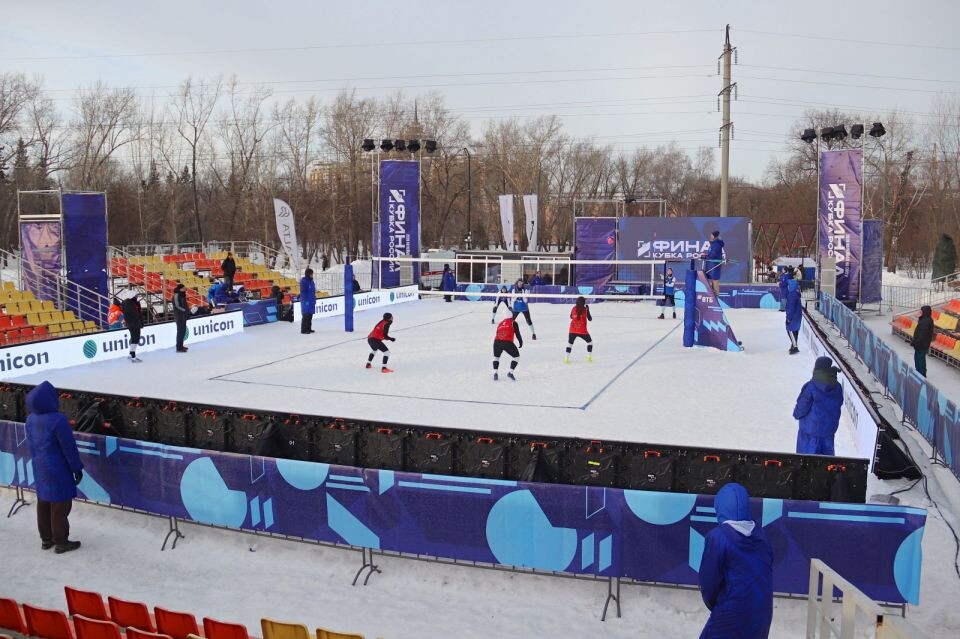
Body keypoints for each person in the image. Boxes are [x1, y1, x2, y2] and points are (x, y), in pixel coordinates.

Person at [698, 482, 773, 638]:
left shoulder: (718, 537)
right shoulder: (762, 535)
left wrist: (719, 606)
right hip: (762, 613)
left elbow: (709, 582)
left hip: (731, 611)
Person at [24, 381, 84, 554]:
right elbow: (68, 446)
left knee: (44, 502)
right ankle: (61, 541)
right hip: (58, 468)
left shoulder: (30, 419)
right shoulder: (58, 420)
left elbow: (31, 444)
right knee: (60, 505)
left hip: (40, 466)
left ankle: (46, 539)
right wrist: (76, 467)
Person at [792, 356, 843, 455]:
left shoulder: (811, 386)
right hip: (829, 432)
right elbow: (838, 404)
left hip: (810, 432)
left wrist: (796, 414)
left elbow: (802, 407)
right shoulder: (837, 387)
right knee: (826, 463)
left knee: (807, 462)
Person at [493, 316, 523, 381]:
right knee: (516, 357)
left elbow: (497, 332)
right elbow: (517, 333)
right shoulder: (514, 322)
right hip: (507, 342)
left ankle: (495, 373)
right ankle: (510, 373)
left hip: (497, 341)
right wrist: (520, 341)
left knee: (496, 357)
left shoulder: (500, 323)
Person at [565, 296, 593, 363]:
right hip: (582, 331)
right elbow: (590, 319)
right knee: (590, 343)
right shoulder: (585, 310)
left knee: (570, 344)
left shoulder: (573, 308)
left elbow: (571, 317)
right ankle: (589, 357)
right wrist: (588, 310)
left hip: (572, 330)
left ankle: (566, 358)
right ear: (584, 303)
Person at [911, 305, 934, 378]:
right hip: (923, 344)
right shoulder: (925, 319)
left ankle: (920, 375)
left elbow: (922, 335)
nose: (920, 312)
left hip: (921, 344)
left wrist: (915, 343)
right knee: (921, 359)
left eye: (921, 311)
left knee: (919, 360)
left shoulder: (926, 322)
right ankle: (922, 374)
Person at [121, 292, 143, 362]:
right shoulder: (129, 304)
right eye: (136, 296)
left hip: (134, 324)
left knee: (135, 339)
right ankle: (133, 356)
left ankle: (131, 354)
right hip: (133, 324)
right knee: (135, 339)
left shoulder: (131, 303)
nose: (137, 297)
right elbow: (134, 315)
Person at [703, 230, 726, 294]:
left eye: (712, 235)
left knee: (715, 280)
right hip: (712, 265)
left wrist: (706, 257)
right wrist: (706, 256)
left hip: (714, 265)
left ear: (715, 236)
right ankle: (714, 296)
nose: (710, 236)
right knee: (713, 281)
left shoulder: (716, 244)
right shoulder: (714, 244)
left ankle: (716, 297)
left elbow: (712, 255)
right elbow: (711, 253)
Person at [785, 273, 802, 354]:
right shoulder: (796, 294)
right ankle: (793, 345)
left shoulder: (792, 295)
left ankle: (795, 347)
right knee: (795, 331)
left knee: (790, 331)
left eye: (788, 285)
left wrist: (788, 318)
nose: (787, 287)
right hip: (797, 316)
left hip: (793, 317)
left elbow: (791, 308)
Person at [172, 283, 189, 352]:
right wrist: (185, 310)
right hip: (179, 316)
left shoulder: (182, 295)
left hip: (183, 316)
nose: (185, 289)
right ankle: (178, 348)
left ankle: (181, 345)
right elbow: (177, 306)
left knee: (183, 331)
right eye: (184, 288)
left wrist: (187, 311)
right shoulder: (176, 295)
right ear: (180, 289)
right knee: (180, 332)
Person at [300, 268, 316, 334]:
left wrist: (314, 299)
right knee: (306, 315)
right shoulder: (304, 281)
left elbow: (313, 291)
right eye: (311, 274)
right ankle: (304, 330)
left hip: (311, 300)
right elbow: (303, 292)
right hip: (306, 301)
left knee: (310, 316)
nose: (312, 275)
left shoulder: (311, 281)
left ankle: (309, 328)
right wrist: (305, 300)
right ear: (308, 274)